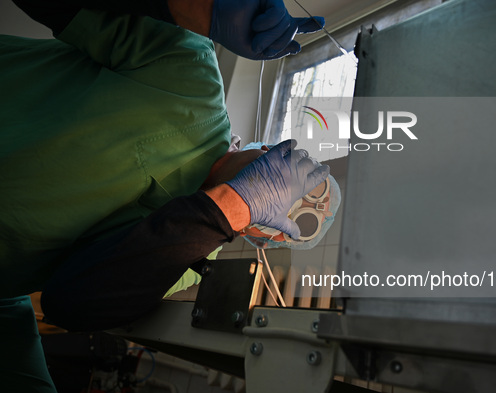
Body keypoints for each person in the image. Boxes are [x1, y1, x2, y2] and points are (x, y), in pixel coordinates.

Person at [1, 1, 327, 391]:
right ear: (272, 148)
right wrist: (201, 7)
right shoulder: (191, 77)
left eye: (295, 214)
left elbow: (71, 304)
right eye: (300, 174)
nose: (287, 189)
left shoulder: (193, 251)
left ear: (266, 233)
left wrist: (228, 209)